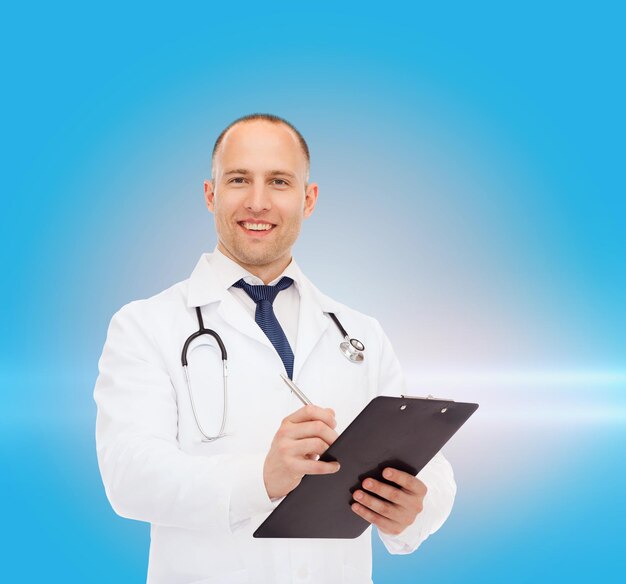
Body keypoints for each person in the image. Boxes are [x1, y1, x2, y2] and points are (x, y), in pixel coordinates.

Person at [94, 113, 456, 584]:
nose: (258, 202)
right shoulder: (145, 325)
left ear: (309, 200)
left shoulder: (359, 333)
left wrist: (416, 506)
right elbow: (130, 478)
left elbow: (431, 465)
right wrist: (261, 479)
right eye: (239, 179)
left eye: (279, 182)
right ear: (211, 195)